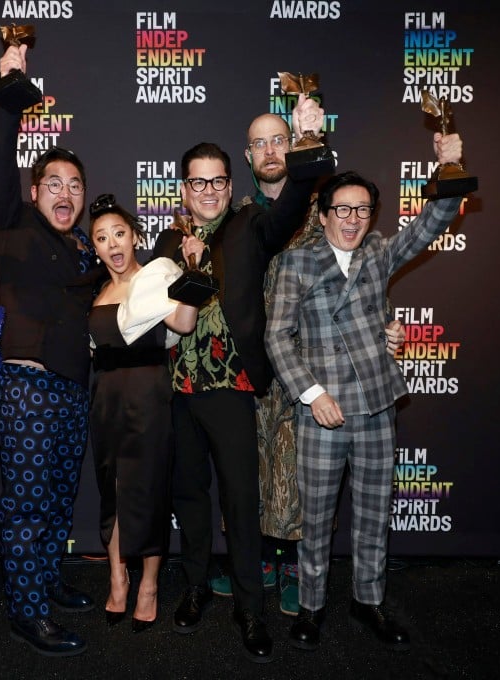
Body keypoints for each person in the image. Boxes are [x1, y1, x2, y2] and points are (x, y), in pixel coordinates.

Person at [264, 132, 466, 652]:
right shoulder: (296, 263)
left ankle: (368, 600)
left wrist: (450, 167)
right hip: (321, 412)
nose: (352, 220)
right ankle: (311, 606)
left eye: (363, 211)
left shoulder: (378, 251)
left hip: (376, 406)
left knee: (374, 514)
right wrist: (311, 394)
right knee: (317, 520)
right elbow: (276, 336)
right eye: (342, 210)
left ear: (371, 216)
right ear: (324, 213)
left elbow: (428, 225)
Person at [208, 114, 405, 618]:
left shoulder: (323, 210)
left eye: (281, 140)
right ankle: (260, 561)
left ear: (293, 148)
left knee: (304, 480)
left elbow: (359, 279)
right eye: (260, 144)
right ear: (248, 156)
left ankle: (297, 567)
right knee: (255, 470)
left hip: (313, 366)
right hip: (252, 366)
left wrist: (384, 322)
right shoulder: (235, 215)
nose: (271, 151)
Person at [151, 94, 325, 664]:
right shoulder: (168, 243)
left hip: (232, 386)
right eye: (197, 182)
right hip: (178, 389)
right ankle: (197, 587)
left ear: (230, 184)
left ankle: (250, 607)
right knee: (190, 497)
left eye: (217, 180)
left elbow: (293, 203)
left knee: (242, 503)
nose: (207, 190)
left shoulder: (252, 223)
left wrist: (304, 147)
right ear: (183, 188)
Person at [0, 42, 101, 657]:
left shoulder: (85, 247)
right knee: (28, 504)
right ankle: (27, 613)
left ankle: (47, 581)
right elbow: (0, 168)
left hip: (72, 387)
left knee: (56, 496)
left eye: (74, 184)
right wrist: (9, 96)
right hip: (27, 387)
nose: (64, 192)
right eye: (52, 182)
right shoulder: (13, 222)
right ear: (35, 193)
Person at [86, 194, 198, 633]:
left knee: (148, 492)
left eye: (119, 234)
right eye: (101, 238)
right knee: (112, 489)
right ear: (94, 246)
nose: (112, 244)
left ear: (135, 236)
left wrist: (192, 273)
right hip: (106, 400)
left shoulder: (154, 282)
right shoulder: (98, 291)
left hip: (150, 397)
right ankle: (118, 578)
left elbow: (185, 324)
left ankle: (148, 586)